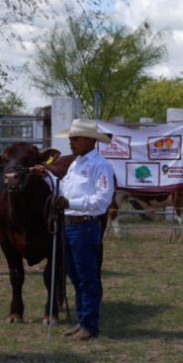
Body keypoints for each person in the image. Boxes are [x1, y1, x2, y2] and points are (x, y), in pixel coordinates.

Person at [51, 119, 117, 340]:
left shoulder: (101, 165)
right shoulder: (75, 164)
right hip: (69, 226)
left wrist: (70, 204)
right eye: (70, 138)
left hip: (85, 225)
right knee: (75, 276)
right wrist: (47, 175)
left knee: (87, 276)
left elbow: (102, 200)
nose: (71, 142)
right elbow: (65, 188)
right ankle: (83, 322)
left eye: (75, 138)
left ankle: (89, 326)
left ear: (90, 140)